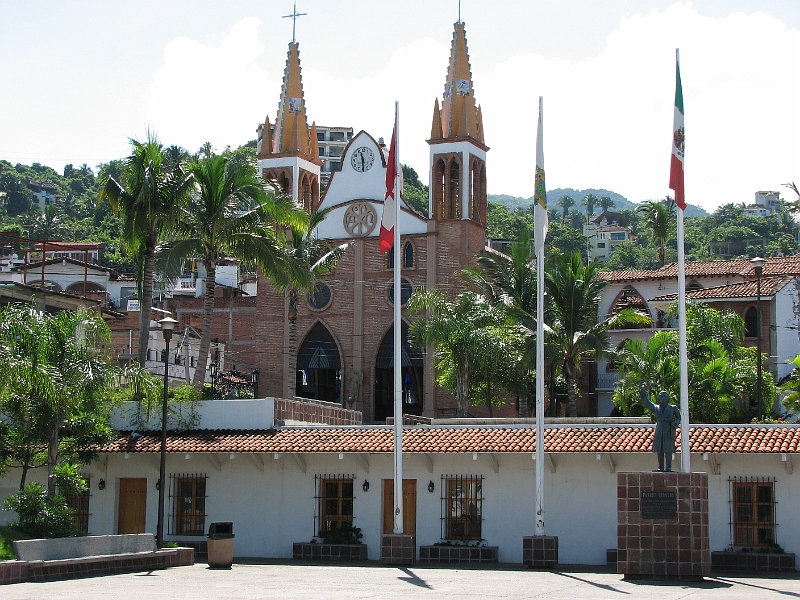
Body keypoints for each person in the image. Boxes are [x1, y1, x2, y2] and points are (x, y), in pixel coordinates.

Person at [639, 384, 681, 472]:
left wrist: (675, 423)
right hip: (660, 429)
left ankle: (668, 467)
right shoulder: (656, 407)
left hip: (668, 429)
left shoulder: (673, 408)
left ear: (667, 398)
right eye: (660, 396)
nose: (662, 398)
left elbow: (678, 417)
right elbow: (647, 402)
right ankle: (660, 467)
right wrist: (643, 391)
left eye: (663, 396)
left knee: (668, 449)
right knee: (659, 448)